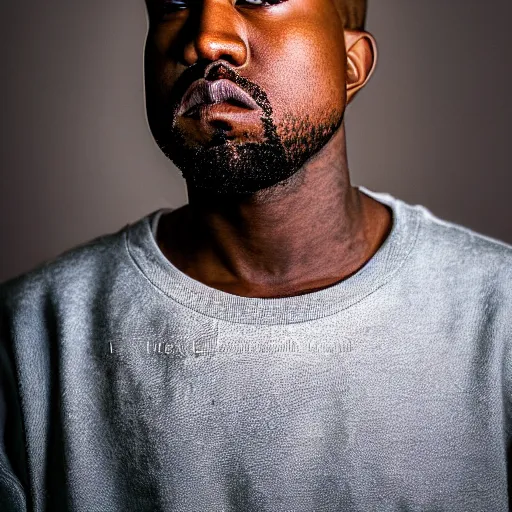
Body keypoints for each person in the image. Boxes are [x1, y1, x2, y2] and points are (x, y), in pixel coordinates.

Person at [0, 0, 510, 509]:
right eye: (175, 4)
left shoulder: (500, 317)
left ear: (351, 64)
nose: (206, 38)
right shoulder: (27, 338)